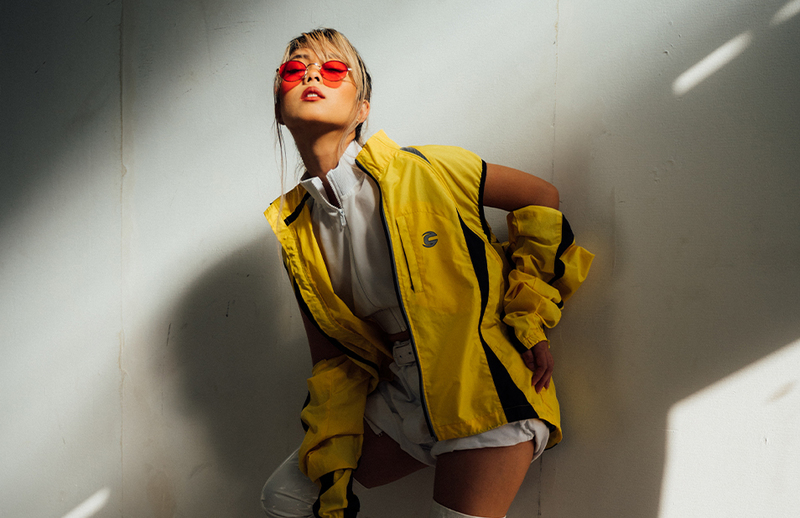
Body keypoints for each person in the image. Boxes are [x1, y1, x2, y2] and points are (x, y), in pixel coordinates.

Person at [261, 28, 593, 518]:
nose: (311, 76)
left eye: (333, 69)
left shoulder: (427, 168)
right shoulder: (296, 228)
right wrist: (329, 436)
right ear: (279, 107)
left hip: (479, 380)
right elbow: (331, 358)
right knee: (287, 496)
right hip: (400, 394)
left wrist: (528, 317)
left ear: (362, 108)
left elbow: (541, 199)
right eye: (295, 70)